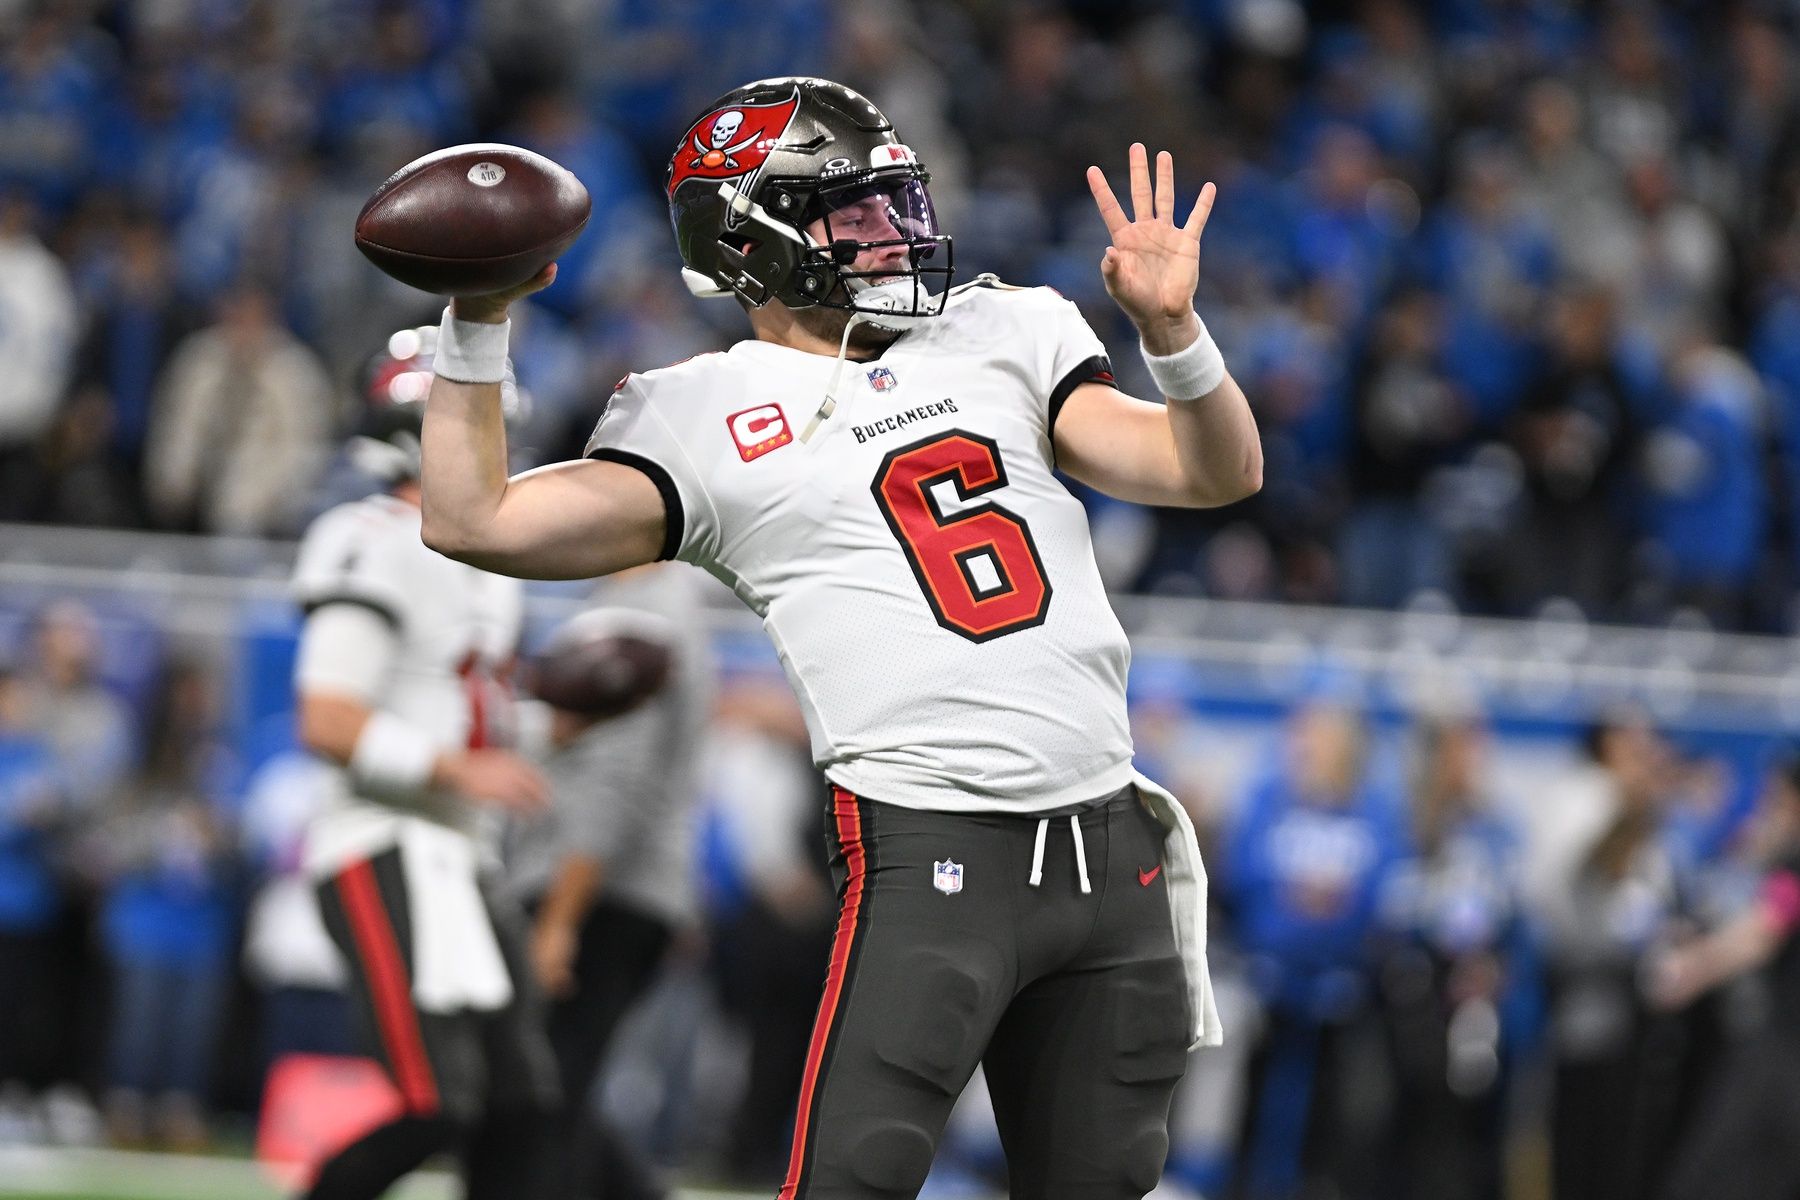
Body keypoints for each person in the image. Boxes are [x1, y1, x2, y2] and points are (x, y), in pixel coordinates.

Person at [420, 77, 1258, 1198]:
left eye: (897, 204)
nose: (896, 233)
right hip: (932, 851)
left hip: (1110, 853)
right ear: (752, 246)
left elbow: (1215, 469)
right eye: (853, 214)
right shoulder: (701, 413)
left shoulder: (1003, 329)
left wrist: (1177, 336)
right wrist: (476, 319)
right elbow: (473, 518)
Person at [289, 326, 559, 1200]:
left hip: (464, 850)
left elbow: (472, 709)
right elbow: (327, 719)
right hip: (383, 839)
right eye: (475, 418)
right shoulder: (368, 535)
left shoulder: (491, 560)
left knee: (523, 1105)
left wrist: (564, 727)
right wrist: (457, 771)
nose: (495, 439)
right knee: (434, 1100)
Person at [506, 587, 710, 1200]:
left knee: (543, 1102)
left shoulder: (644, 615)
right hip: (612, 886)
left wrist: (560, 920)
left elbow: (616, 782)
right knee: (554, 1093)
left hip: (598, 890)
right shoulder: (642, 606)